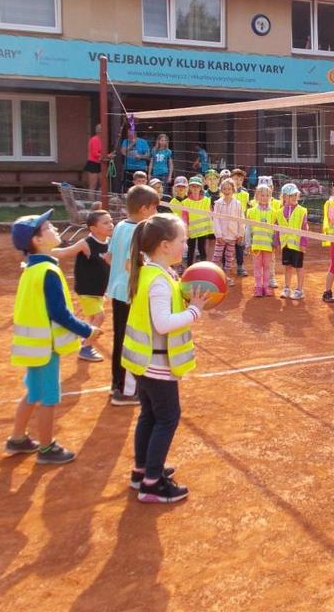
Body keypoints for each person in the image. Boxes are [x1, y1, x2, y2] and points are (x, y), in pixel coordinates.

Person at [122, 213, 209, 503]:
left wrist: (182, 299)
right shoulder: (158, 280)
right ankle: (152, 483)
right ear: (164, 246)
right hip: (157, 365)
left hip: (143, 363)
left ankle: (141, 471)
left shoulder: (151, 273)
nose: (186, 246)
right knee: (168, 418)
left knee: (149, 415)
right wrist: (194, 310)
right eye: (182, 241)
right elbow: (162, 323)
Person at [4, 211, 100, 464]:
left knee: (33, 392)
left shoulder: (32, 268)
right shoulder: (48, 271)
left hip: (34, 346)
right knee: (48, 398)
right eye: (47, 227)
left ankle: (17, 438)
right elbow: (59, 313)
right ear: (37, 240)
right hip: (45, 347)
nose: (54, 229)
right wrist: (87, 330)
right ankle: (46, 448)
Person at [106, 184, 161, 406]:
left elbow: (109, 257)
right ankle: (126, 392)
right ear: (145, 208)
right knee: (132, 340)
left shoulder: (120, 225)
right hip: (131, 293)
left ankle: (117, 384)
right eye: (155, 208)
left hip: (118, 291)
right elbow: (132, 265)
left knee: (120, 338)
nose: (156, 213)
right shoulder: (140, 230)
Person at [73, 210, 114, 362]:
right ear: (93, 228)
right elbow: (65, 252)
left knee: (92, 317)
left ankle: (86, 334)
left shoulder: (109, 242)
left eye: (110, 221)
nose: (110, 225)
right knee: (99, 316)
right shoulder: (86, 244)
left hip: (98, 291)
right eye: (105, 223)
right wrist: (41, 253)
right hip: (87, 290)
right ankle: (85, 347)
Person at [276, 182, 308, 300]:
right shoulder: (279, 212)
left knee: (299, 267)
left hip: (297, 245)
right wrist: (277, 243)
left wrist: (303, 243)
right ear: (284, 197)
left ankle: (299, 290)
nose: (294, 197)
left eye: (295, 194)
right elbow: (277, 229)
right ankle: (287, 288)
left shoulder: (302, 211)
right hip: (286, 245)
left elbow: (305, 228)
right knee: (287, 267)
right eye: (291, 195)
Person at [246, 183, 278, 296]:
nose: (264, 197)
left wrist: (275, 242)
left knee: (267, 266)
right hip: (256, 245)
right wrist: (248, 243)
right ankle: (258, 287)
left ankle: (265, 287)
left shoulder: (274, 212)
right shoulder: (251, 212)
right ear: (256, 196)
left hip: (268, 246)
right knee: (257, 266)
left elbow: (275, 229)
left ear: (270, 197)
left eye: (267, 195)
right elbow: (248, 229)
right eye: (261, 195)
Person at [211, 177, 243, 278]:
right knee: (216, 257)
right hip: (222, 236)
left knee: (229, 258)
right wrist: (218, 235)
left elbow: (241, 220)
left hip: (233, 236)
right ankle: (213, 277)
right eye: (224, 189)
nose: (227, 191)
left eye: (229, 189)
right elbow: (215, 220)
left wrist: (240, 234)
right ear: (221, 190)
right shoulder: (218, 203)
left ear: (233, 190)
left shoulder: (238, 204)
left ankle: (226, 276)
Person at [183, 175, 213, 266]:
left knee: (202, 249)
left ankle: (204, 268)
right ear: (189, 188)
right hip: (191, 231)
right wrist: (186, 229)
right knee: (191, 250)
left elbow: (210, 215)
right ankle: (189, 268)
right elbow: (184, 217)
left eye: (197, 186)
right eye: (193, 186)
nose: (195, 188)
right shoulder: (185, 202)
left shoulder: (207, 201)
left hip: (203, 231)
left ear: (201, 187)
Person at [231, 168, 250, 277]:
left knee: (239, 245)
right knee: (227, 246)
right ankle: (226, 267)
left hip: (240, 224)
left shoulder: (245, 193)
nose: (238, 181)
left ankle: (240, 266)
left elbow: (246, 208)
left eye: (240, 179)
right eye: (236, 179)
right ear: (231, 179)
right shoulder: (226, 191)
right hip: (228, 223)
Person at [84, 124, 111, 193]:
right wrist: (107, 155)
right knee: (93, 184)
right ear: (100, 131)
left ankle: (100, 200)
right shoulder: (94, 139)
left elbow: (102, 153)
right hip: (93, 163)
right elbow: (95, 153)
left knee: (103, 184)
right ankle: (91, 202)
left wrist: (108, 156)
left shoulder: (102, 140)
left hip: (100, 163)